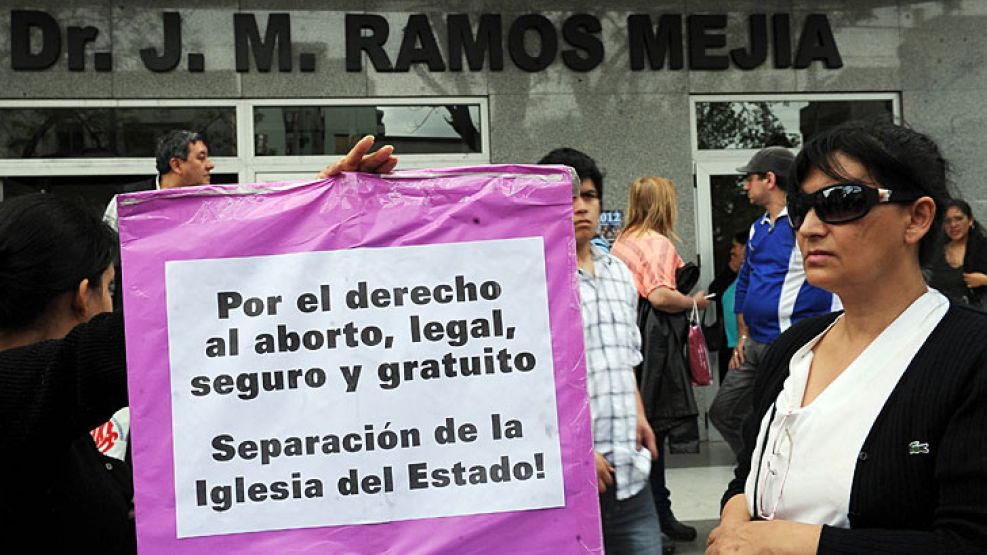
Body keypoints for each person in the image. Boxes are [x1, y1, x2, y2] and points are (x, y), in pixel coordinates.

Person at [0, 138, 396, 553]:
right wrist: (310, 225)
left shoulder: (53, 414)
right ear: (83, 296)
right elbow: (171, 326)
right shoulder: (21, 396)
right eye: (112, 288)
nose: (116, 306)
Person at [707, 121, 987, 554]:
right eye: (801, 209)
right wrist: (732, 527)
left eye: (841, 201)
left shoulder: (971, 355)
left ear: (917, 218)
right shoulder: (793, 349)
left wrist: (792, 542)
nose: (808, 228)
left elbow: (968, 541)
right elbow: (750, 476)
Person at [539, 148, 663, 555]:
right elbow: (531, 383)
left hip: (630, 472)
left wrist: (640, 415)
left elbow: (625, 358)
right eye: (567, 197)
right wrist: (575, 452)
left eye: (588, 196)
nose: (579, 207)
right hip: (568, 481)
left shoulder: (619, 276)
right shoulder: (534, 279)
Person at [708, 146, 839, 457]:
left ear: (769, 179)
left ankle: (780, 472)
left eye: (749, 179)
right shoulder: (757, 228)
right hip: (754, 344)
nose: (744, 186)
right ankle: (758, 468)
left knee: (786, 419)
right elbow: (745, 283)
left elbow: (831, 279)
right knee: (722, 412)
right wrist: (741, 335)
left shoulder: (803, 224)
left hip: (789, 343)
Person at [609, 176, 709, 547]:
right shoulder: (657, 242)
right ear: (664, 205)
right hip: (656, 350)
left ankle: (654, 514)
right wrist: (695, 303)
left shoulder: (622, 241)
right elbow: (662, 296)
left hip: (630, 342)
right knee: (655, 431)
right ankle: (653, 518)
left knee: (640, 431)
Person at [103, 129, 217, 231]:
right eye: (201, 158)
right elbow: (108, 249)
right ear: (176, 165)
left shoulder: (212, 205)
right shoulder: (127, 203)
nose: (210, 165)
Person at [925, 198, 987, 305]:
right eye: (948, 221)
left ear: (970, 221)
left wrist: (985, 280)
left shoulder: (983, 247)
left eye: (959, 219)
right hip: (945, 312)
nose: (953, 225)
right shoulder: (936, 251)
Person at [707, 231, 748, 384]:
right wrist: (732, 267)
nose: (732, 251)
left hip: (745, 344)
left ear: (745, 248)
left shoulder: (753, 275)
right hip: (729, 343)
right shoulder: (735, 276)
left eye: (735, 246)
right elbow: (714, 290)